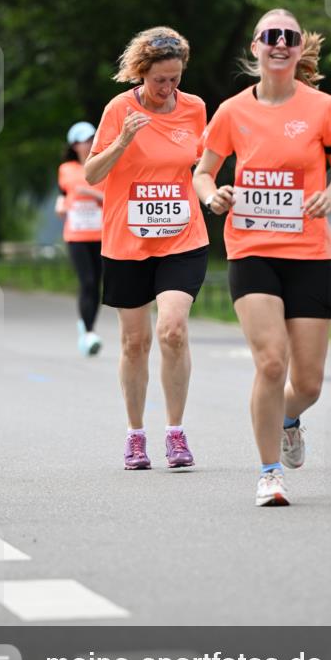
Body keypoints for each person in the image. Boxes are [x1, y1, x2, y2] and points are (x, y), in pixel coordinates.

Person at [193, 8, 331, 507]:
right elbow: (203, 172)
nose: (280, 43)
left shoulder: (323, 106)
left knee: (307, 382)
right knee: (270, 361)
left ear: (298, 48)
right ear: (256, 48)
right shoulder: (232, 111)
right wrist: (211, 196)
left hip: (308, 252)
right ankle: (268, 474)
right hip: (252, 249)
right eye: (271, 36)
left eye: (289, 36)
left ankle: (289, 417)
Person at [84, 26, 208, 470]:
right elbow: (92, 175)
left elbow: (201, 166)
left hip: (182, 236)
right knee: (134, 342)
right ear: (141, 73)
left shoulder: (194, 108)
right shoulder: (119, 109)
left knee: (172, 329)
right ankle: (136, 435)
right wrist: (122, 142)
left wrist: (211, 191)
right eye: (160, 80)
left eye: (175, 78)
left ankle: (175, 433)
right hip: (128, 241)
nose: (168, 88)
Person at [55, 121, 105, 356]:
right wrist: (61, 207)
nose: (89, 143)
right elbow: (62, 196)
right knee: (86, 281)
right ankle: (88, 332)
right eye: (84, 140)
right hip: (76, 235)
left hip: (102, 233)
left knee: (97, 283)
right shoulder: (66, 169)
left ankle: (87, 326)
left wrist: (91, 194)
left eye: (92, 138)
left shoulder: (104, 165)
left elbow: (113, 199)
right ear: (74, 145)